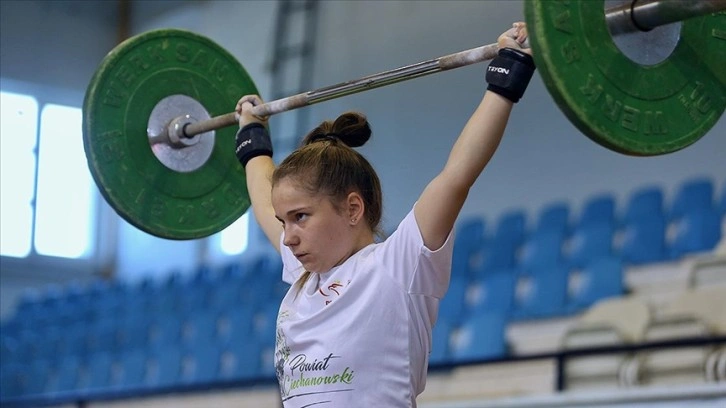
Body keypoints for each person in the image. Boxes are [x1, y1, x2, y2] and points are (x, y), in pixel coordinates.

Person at [233, 22, 535, 408]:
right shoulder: (304, 272)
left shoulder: (398, 265)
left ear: (352, 209)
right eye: (284, 222)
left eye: (301, 217)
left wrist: (509, 72)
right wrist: (252, 136)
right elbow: (263, 196)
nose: (288, 236)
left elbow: (456, 176)